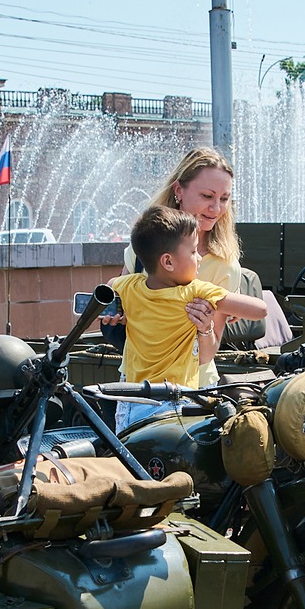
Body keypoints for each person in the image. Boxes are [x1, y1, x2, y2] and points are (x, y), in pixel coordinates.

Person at [110, 206, 266, 430]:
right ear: (168, 262)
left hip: (133, 401)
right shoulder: (195, 292)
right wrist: (228, 302)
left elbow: (109, 286)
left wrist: (115, 307)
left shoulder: (130, 286)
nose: (200, 258)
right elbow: (260, 310)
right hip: (176, 402)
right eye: (193, 252)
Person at [118, 148, 264, 382]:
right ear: (179, 190)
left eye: (224, 199)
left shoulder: (225, 265)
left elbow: (206, 356)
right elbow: (118, 301)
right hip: (136, 386)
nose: (216, 209)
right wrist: (117, 313)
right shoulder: (143, 247)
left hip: (192, 392)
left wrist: (205, 328)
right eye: (207, 196)